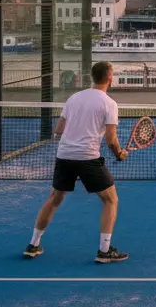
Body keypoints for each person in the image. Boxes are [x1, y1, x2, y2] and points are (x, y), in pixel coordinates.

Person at [24, 61, 129, 263]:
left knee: (54, 198)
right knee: (110, 200)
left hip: (64, 154)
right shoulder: (109, 103)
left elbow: (59, 130)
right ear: (109, 77)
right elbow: (111, 139)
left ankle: (33, 244)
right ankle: (104, 251)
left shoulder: (73, 98)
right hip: (88, 158)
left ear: (92, 77)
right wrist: (119, 154)